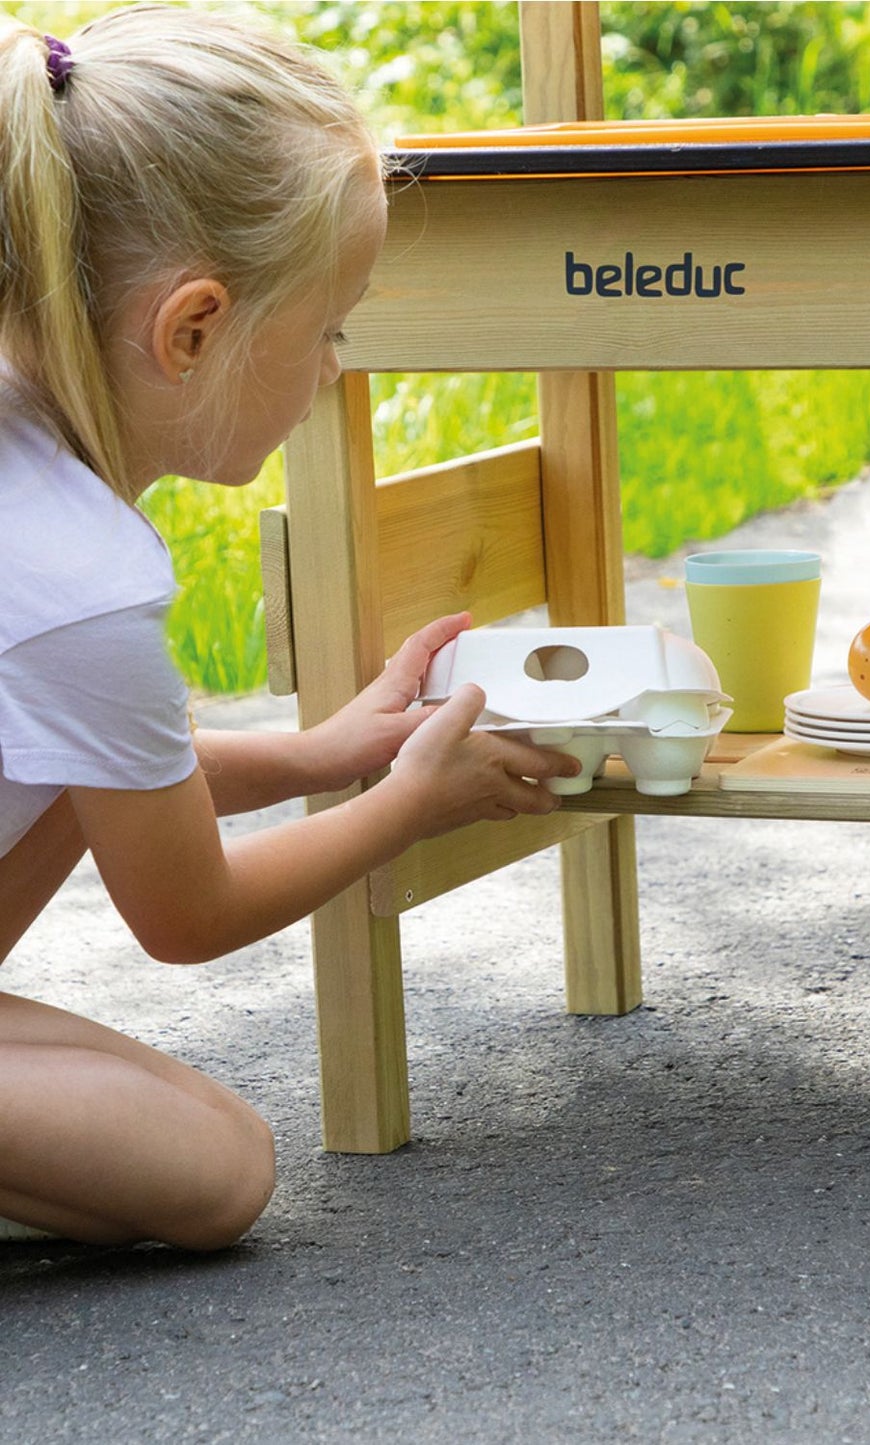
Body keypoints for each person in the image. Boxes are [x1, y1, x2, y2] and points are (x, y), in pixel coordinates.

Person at [0, 5, 579, 1250]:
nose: (330, 369)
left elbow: (82, 763)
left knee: (179, 1122)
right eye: (325, 328)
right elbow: (186, 912)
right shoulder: (74, 579)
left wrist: (329, 751)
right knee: (219, 1169)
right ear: (193, 329)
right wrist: (409, 802)